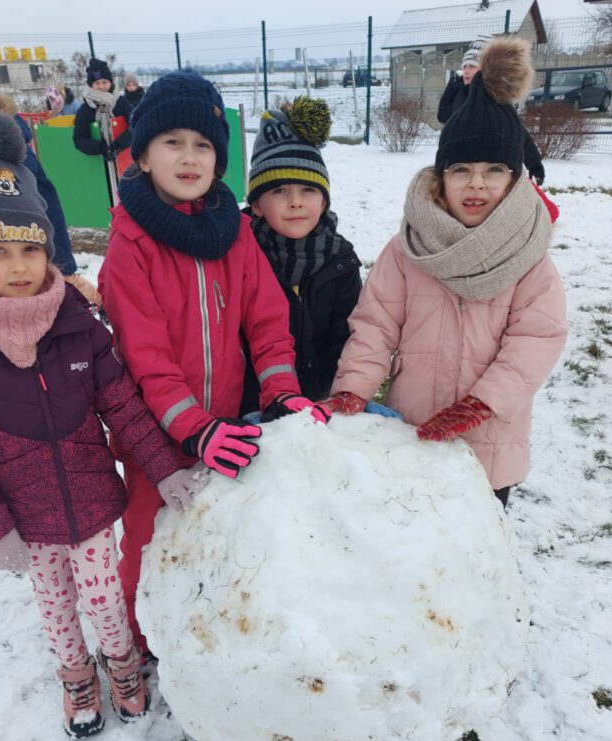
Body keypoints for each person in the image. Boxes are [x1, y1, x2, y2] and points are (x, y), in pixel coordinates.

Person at [0, 113, 203, 737]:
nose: (18, 266)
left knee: (103, 600)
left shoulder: (78, 326)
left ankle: (122, 662)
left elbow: (123, 406)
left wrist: (166, 468)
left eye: (30, 248)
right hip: (27, 520)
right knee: (55, 608)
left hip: (93, 502)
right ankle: (76, 677)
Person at [98, 70, 329, 649]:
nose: (189, 156)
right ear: (143, 155)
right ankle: (142, 635)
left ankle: (199, 626)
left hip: (223, 422)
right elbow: (145, 355)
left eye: (203, 144)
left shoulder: (237, 233)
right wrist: (190, 428)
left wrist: (281, 391)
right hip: (157, 432)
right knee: (150, 533)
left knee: (211, 529)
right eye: (172, 142)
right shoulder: (130, 246)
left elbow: (267, 320)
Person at [323, 37, 567, 509]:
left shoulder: (530, 255)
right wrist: (353, 389)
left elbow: (537, 339)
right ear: (442, 178)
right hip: (415, 429)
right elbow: (375, 324)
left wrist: (482, 404)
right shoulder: (407, 249)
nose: (477, 183)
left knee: (475, 550)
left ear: (513, 179)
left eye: (495, 170)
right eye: (462, 170)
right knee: (417, 538)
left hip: (491, 439)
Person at [241, 96, 362, 413]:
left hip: (321, 403)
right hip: (254, 405)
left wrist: (332, 395)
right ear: (256, 205)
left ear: (323, 202)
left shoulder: (340, 261)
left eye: (308, 190)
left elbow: (346, 338)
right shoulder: (243, 256)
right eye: (279, 191)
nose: (295, 202)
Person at [0, 71, 99, 304]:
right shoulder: (1, 147)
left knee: (59, 294)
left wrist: (61, 264)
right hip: (34, 249)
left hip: (38, 246)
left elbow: (36, 203)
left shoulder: (4, 154)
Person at [438, 45, 546, 186]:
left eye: (472, 66)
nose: (466, 71)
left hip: (490, 169)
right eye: (464, 66)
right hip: (462, 168)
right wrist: (449, 92)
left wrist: (534, 164)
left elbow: (517, 130)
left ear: (484, 70)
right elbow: (443, 117)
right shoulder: (461, 95)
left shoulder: (494, 97)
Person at [73, 58, 131, 162]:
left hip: (125, 161)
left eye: (104, 82)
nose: (101, 86)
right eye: (97, 83)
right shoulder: (85, 109)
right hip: (99, 168)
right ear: (91, 85)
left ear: (110, 83)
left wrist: (119, 144)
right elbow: (79, 139)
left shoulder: (121, 102)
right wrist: (100, 147)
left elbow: (136, 125)